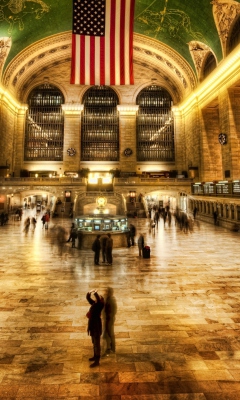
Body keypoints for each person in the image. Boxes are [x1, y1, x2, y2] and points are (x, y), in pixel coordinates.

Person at [86, 290, 104, 367]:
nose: (96, 299)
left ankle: (97, 361)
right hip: (92, 326)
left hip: (96, 327)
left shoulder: (100, 305)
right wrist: (89, 293)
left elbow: (99, 301)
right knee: (94, 342)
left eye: (98, 298)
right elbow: (89, 299)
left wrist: (96, 293)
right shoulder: (95, 304)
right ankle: (94, 356)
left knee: (97, 344)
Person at [102, 287, 117, 356]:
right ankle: (109, 348)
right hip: (107, 319)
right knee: (107, 334)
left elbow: (113, 311)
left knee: (109, 334)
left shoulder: (111, 300)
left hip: (109, 320)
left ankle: (111, 349)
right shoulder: (107, 298)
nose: (105, 292)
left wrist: (108, 319)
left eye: (106, 291)